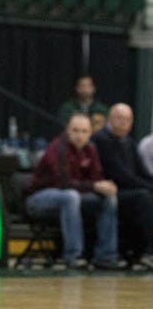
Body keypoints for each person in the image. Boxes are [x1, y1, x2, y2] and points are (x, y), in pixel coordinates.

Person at [25, 113, 125, 269]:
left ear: (90, 133)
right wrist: (95, 186)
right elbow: (63, 183)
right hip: (39, 198)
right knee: (71, 196)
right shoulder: (58, 148)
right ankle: (73, 256)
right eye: (76, 130)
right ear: (67, 131)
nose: (80, 135)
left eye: (84, 131)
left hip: (73, 196)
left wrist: (105, 187)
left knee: (109, 198)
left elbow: (96, 178)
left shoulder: (90, 149)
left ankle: (106, 256)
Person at [93, 103, 153, 269]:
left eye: (127, 119)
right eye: (119, 118)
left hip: (130, 190)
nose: (123, 123)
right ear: (110, 119)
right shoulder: (100, 140)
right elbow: (121, 176)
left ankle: (144, 251)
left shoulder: (129, 143)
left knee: (145, 194)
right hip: (110, 192)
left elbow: (142, 173)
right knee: (144, 197)